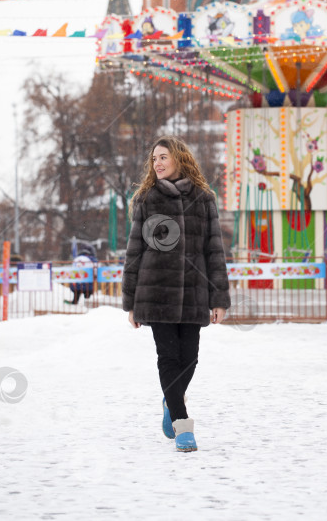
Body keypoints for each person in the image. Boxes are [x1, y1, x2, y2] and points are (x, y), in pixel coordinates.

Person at [122, 135, 231, 453]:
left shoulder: (204, 199)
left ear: (179, 159)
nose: (157, 163)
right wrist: (130, 301)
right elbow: (134, 253)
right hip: (155, 291)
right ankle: (183, 426)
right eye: (154, 158)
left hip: (194, 293)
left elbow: (214, 251)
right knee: (168, 357)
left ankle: (171, 400)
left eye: (163, 157)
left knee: (190, 358)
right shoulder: (146, 199)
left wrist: (219, 297)